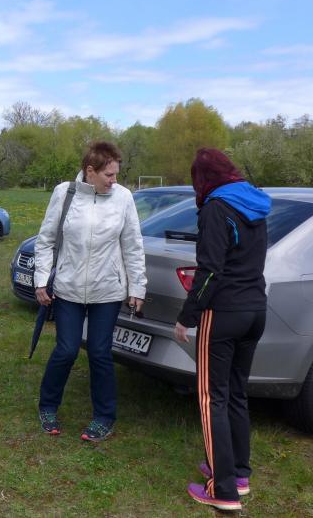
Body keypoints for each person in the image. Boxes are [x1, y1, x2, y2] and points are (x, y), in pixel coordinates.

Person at [174, 148, 271, 512]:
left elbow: (210, 270)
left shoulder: (216, 208)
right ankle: (238, 473)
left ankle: (223, 489)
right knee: (235, 393)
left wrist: (187, 316)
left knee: (211, 397)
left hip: (224, 313)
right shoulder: (255, 203)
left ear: (203, 178)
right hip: (255, 310)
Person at [33, 141, 146, 442]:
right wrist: (41, 280)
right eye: (109, 175)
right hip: (68, 288)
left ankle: (104, 417)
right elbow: (45, 240)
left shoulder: (123, 198)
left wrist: (137, 287)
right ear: (90, 171)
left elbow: (133, 245)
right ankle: (47, 406)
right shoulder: (65, 193)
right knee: (66, 350)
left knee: (99, 352)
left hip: (107, 290)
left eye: (116, 174)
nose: (114, 181)